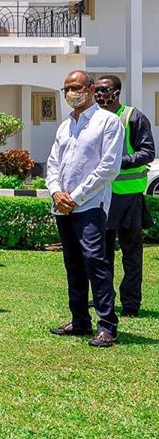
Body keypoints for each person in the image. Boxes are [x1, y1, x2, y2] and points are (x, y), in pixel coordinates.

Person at [47, 71, 124, 346]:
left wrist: (75, 197)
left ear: (91, 89)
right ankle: (80, 320)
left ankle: (107, 326)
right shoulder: (65, 126)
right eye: (66, 88)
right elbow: (53, 164)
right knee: (73, 264)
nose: (70, 92)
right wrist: (56, 192)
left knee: (95, 262)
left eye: (76, 87)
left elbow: (109, 167)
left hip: (91, 204)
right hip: (63, 206)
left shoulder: (109, 122)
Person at [94, 74, 155, 318]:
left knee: (131, 255)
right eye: (96, 90)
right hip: (101, 196)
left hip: (128, 197)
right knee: (101, 254)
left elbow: (148, 152)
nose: (99, 94)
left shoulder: (133, 117)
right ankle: (103, 298)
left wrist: (118, 163)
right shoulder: (93, 119)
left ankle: (131, 304)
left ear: (116, 93)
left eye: (104, 90)